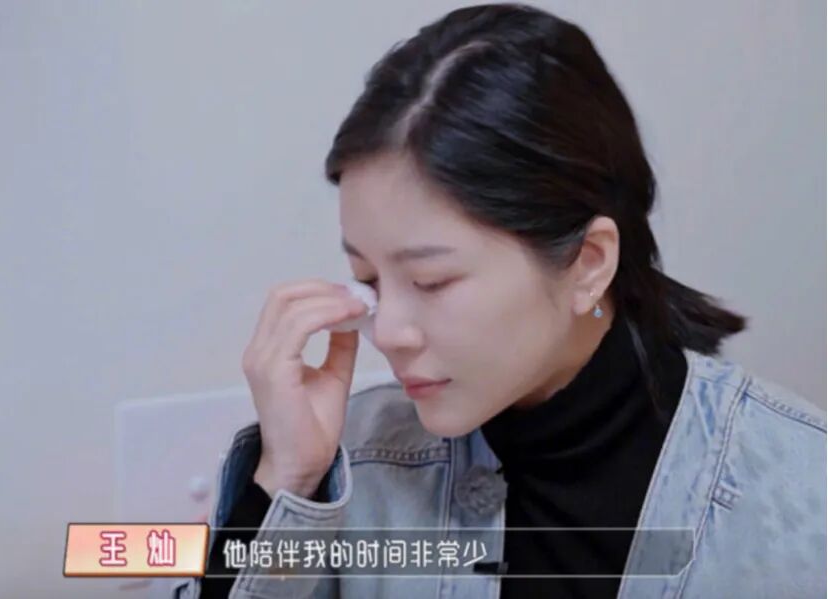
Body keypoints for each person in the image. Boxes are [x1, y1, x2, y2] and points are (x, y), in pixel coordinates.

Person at [174, 3, 826, 598]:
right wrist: (285, 480)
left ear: (589, 263)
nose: (389, 331)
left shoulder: (798, 489)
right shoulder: (347, 465)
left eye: (431, 281)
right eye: (368, 280)